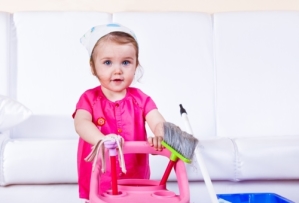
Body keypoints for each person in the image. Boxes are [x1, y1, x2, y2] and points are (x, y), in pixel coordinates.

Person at [73, 23, 166, 201]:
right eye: (107, 62)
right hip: (99, 177)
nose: (118, 70)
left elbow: (157, 120)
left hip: (134, 178)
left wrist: (160, 135)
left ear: (136, 65)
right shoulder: (89, 98)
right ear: (93, 67)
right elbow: (81, 123)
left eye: (126, 62)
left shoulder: (141, 99)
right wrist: (102, 140)